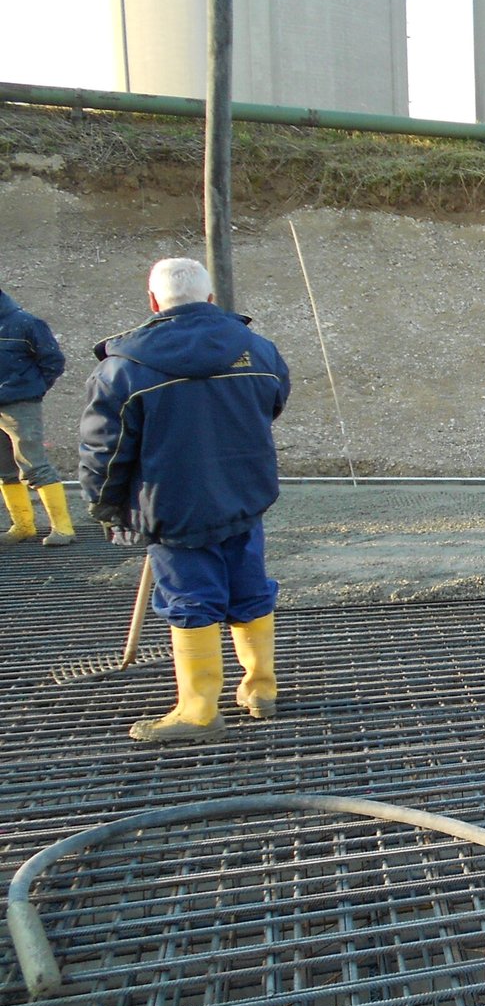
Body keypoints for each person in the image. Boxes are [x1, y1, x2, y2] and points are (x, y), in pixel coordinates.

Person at [80, 258, 291, 744]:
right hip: (244, 496)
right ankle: (261, 690)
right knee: (249, 588)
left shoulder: (121, 370)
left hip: (173, 506)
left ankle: (199, 712)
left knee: (191, 600)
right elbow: (272, 405)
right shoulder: (259, 351)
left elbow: (104, 451)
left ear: (154, 302)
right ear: (211, 299)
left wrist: (105, 505)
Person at [0, 286, 76, 546]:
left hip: (20, 406)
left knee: (34, 465)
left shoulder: (26, 324)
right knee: (5, 469)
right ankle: (23, 525)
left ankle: (63, 528)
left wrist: (32, 389)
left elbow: (53, 361)